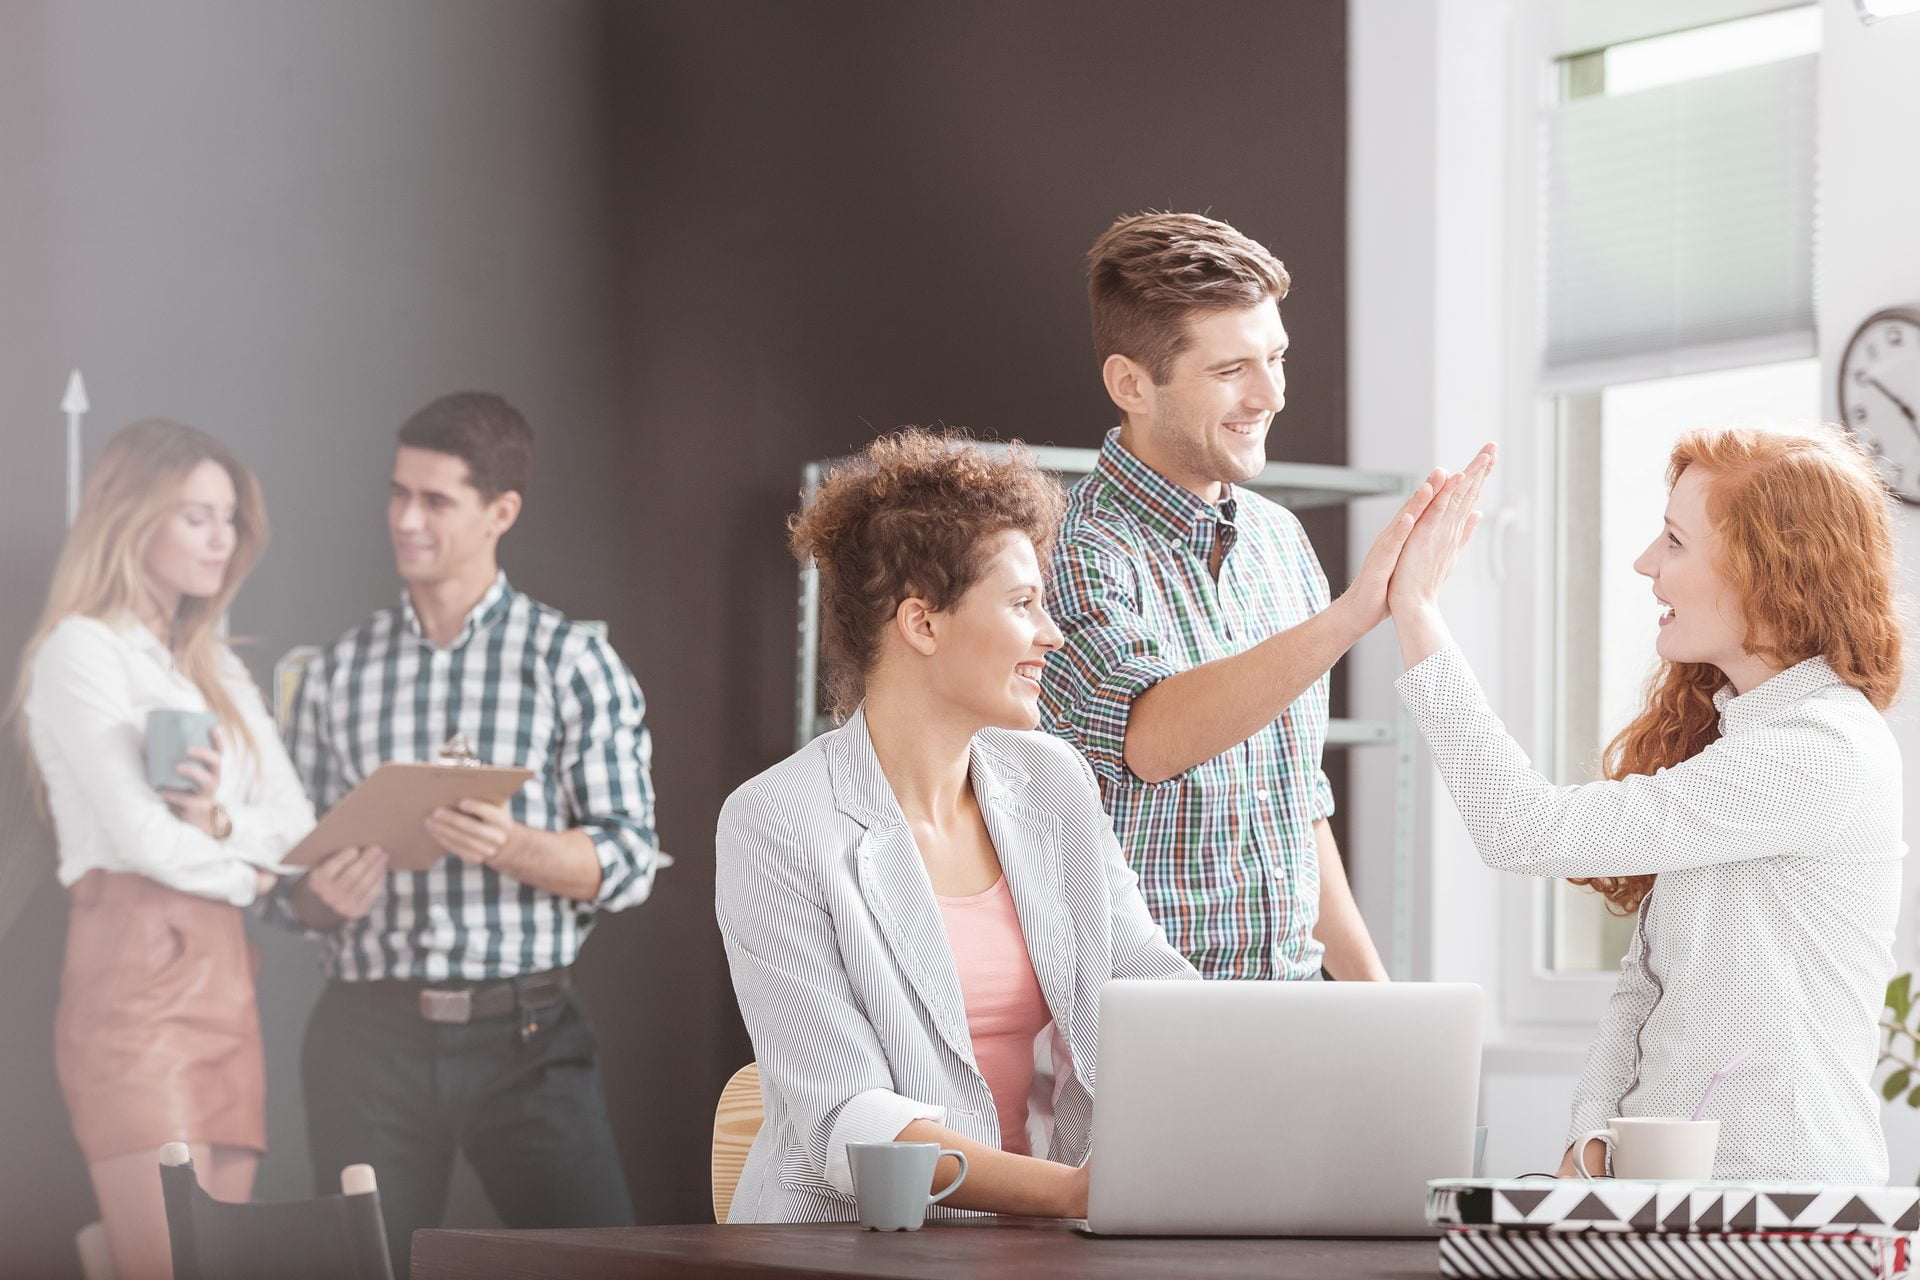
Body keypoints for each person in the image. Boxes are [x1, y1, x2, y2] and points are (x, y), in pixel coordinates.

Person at [1389, 427, 1902, 1182]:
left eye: (1674, 542)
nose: (1644, 564)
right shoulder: (1742, 739)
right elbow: (1648, 981)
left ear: (1768, 573)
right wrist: (1593, 1132)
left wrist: (1417, 613)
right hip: (1669, 1197)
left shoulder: (1821, 750)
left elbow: (1525, 831)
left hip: (1780, 1204)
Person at [717, 429, 1198, 1224]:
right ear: (923, 623)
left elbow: (1150, 989)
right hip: (855, 1248)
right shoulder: (776, 822)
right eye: (1023, 605)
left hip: (1046, 1238)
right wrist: (1072, 1195)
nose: (1052, 634)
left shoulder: (1053, 780)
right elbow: (851, 1119)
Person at [272, 392, 663, 1273]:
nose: (406, 520)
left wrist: (510, 844)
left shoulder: (571, 661)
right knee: (358, 1272)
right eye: (398, 494)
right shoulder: (338, 673)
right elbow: (286, 878)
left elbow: (630, 862)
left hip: (528, 1039)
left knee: (603, 1265)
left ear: (501, 512)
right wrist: (315, 898)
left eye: (435, 500)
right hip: (365, 1040)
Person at [1041, 210, 1455, 981]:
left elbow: (1298, 802)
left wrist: (1377, 1003)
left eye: (1277, 358)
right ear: (1132, 383)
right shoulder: (1074, 548)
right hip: (1142, 1017)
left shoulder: (1278, 541)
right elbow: (1149, 741)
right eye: (1232, 370)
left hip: (1291, 1006)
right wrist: (1352, 616)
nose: (1271, 395)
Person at [14, 419, 315, 1280]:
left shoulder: (210, 660)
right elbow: (141, 842)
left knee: (222, 1261)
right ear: (130, 518)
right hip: (136, 982)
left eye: (229, 517)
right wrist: (246, 866)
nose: (222, 538)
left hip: (226, 979)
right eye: (196, 516)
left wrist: (223, 828)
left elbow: (295, 830)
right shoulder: (82, 650)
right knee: (161, 1267)